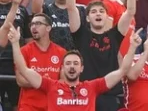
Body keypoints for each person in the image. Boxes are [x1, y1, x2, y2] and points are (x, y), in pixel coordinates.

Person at [9, 27, 140, 111]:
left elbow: (122, 71)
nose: (72, 66)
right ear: (62, 68)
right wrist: (15, 43)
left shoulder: (92, 87)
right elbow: (24, 70)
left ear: (81, 68)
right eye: (68, 63)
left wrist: (133, 46)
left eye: (75, 63)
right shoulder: (50, 86)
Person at [65, 0, 137, 111]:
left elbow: (130, 12)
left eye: (101, 11)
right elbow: (71, 7)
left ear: (106, 16)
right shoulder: (81, 34)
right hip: (85, 94)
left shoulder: (115, 35)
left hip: (110, 95)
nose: (98, 14)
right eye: (93, 12)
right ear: (87, 18)